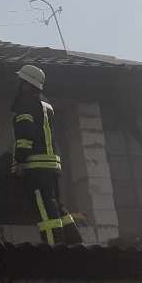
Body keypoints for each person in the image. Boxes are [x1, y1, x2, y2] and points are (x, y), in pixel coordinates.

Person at [11, 65, 83, 245]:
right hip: (52, 165)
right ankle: (75, 244)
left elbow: (25, 132)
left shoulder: (25, 102)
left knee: (44, 209)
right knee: (55, 204)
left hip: (36, 165)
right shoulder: (45, 102)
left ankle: (54, 249)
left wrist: (20, 160)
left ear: (27, 83)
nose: (17, 84)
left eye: (20, 80)